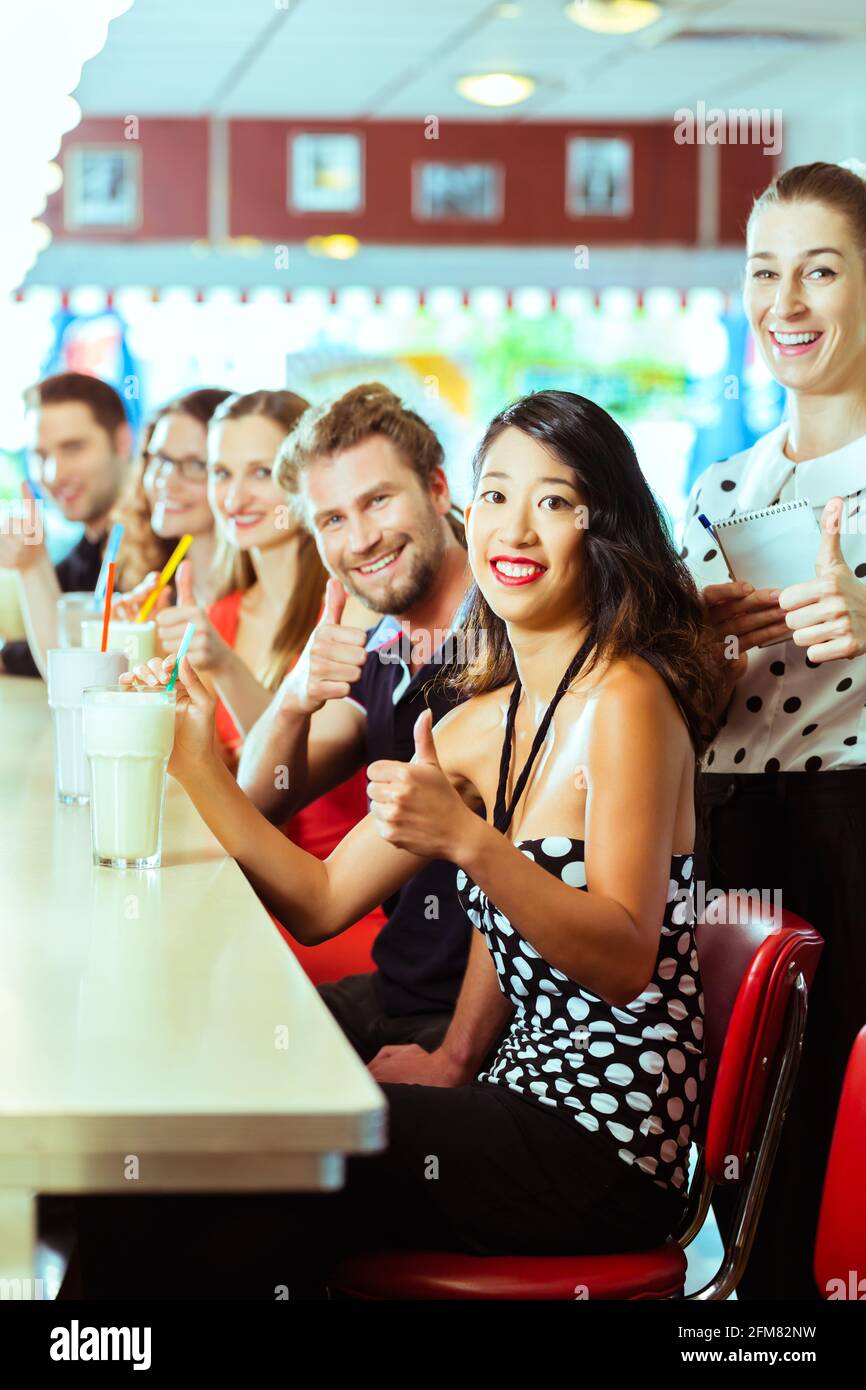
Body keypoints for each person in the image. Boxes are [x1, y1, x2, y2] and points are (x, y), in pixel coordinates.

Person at [73, 389, 715, 1299]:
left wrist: (469, 843)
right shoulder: (483, 718)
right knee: (178, 1175)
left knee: (227, 1189)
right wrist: (192, 761)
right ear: (469, 507)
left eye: (554, 501)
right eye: (497, 495)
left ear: (599, 526)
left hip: (599, 1145)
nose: (515, 528)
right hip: (512, 1090)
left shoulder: (626, 702)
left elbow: (622, 958)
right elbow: (321, 897)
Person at [680, 160, 866, 1300]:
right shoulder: (719, 489)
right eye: (763, 271)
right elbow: (675, 714)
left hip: (853, 827)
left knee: (831, 1164)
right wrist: (700, 655)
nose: (783, 300)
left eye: (818, 270)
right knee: (735, 1157)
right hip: (728, 838)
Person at [237, 383, 478, 1067]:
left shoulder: (506, 641)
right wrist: (293, 696)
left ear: (436, 489)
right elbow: (265, 797)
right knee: (212, 1051)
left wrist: (457, 1057)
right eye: (333, 520)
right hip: (397, 991)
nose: (361, 538)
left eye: (377, 501)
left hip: (474, 1023)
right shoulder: (385, 651)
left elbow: (321, 909)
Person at [0, 372, 132, 678]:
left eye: (73, 448)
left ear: (122, 441)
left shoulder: (161, 543)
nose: (54, 473)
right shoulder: (83, 555)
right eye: (40, 454)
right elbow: (63, 652)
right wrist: (30, 562)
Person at [112, 386, 232, 603]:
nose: (166, 482)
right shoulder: (155, 587)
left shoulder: (256, 604)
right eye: (161, 459)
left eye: (196, 465)